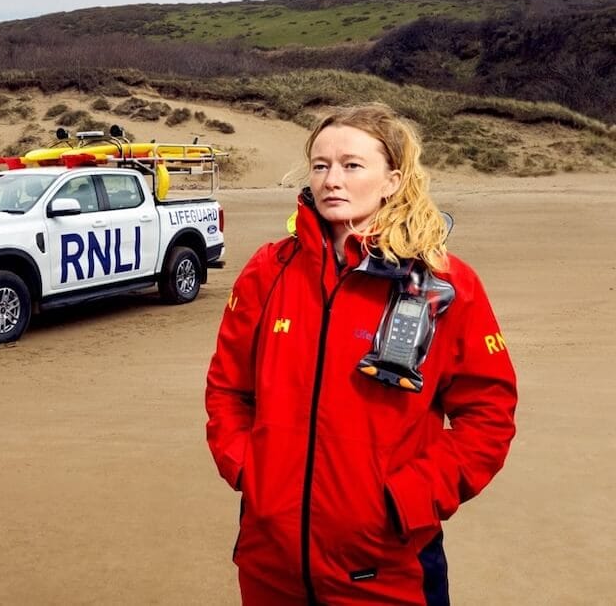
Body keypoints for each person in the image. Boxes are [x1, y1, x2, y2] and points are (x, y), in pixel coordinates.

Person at [205, 103, 517, 605]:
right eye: (322, 165)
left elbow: (489, 416)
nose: (333, 180)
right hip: (271, 562)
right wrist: (248, 468)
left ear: (392, 180)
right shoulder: (269, 270)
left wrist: (408, 499)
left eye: (352, 166)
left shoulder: (445, 284)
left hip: (388, 567)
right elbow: (227, 389)